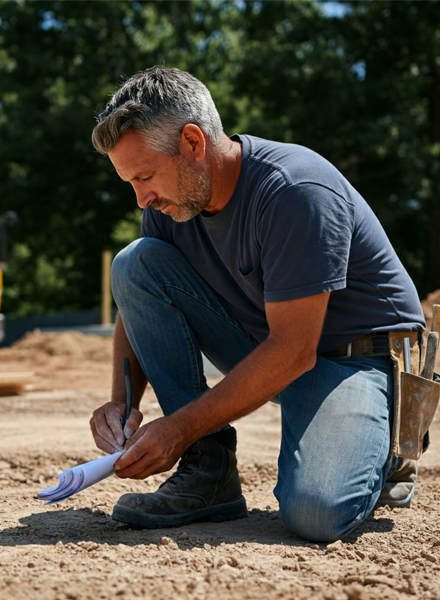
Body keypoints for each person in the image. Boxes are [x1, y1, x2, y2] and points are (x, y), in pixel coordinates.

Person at [89, 67, 426, 542]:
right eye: (131, 182)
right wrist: (122, 403)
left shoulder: (294, 191)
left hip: (357, 360)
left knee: (315, 513)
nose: (142, 197)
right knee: (134, 263)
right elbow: (138, 294)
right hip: (275, 345)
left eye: (145, 176)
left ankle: (387, 451)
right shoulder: (169, 207)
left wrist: (179, 427)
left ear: (192, 143)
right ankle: (210, 474)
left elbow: (294, 350)